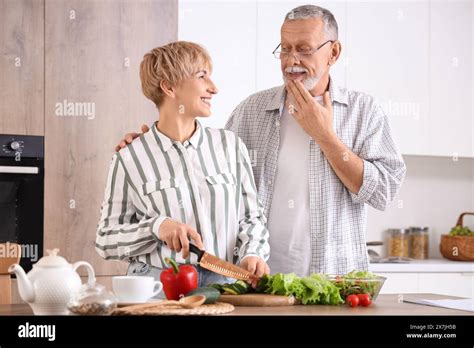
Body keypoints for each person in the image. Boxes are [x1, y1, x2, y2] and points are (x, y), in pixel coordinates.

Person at [116, 5, 406, 276]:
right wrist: (155, 144)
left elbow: (383, 192)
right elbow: (204, 175)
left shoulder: (364, 112)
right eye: (285, 49)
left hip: (335, 279)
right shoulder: (251, 110)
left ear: (334, 53)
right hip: (258, 278)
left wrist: (324, 135)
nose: (292, 60)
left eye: (304, 50)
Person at [96, 41, 270, 294]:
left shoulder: (229, 145)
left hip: (225, 282)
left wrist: (252, 252)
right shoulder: (130, 157)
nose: (214, 88)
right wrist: (156, 226)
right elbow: (106, 239)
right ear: (168, 87)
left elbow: (251, 216)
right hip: (157, 286)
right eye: (202, 76)